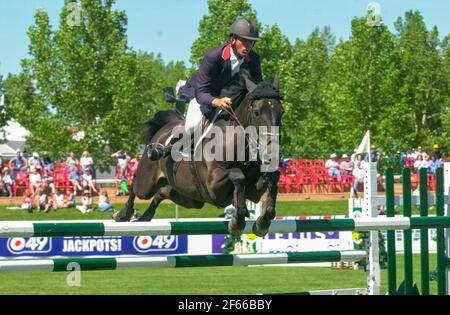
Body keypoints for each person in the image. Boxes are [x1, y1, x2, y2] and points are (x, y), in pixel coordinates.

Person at [147, 17, 262, 160]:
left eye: (251, 41)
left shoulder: (254, 59)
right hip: (202, 92)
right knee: (192, 126)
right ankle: (168, 145)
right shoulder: (214, 56)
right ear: (233, 40)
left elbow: (256, 87)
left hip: (231, 96)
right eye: (244, 41)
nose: (248, 45)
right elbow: (201, 93)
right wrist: (216, 102)